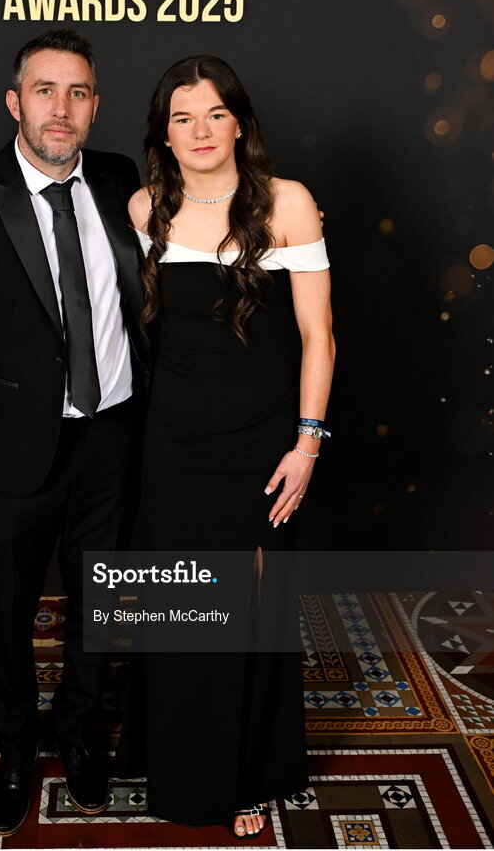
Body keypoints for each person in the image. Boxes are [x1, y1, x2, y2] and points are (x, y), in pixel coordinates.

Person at [0, 28, 147, 837]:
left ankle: (79, 735)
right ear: (15, 103)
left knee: (101, 606)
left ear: (94, 107)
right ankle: (15, 749)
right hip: (9, 451)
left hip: (112, 438)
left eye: (78, 93)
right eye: (44, 90)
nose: (61, 108)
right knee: (7, 612)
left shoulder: (120, 180)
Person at [114, 54, 335, 838]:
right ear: (163, 134)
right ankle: (177, 764)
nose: (199, 131)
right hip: (172, 441)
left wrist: (306, 446)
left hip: (263, 442)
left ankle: (245, 774)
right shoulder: (146, 209)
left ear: (239, 121)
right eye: (181, 117)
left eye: (213, 114)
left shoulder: (287, 204)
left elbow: (319, 337)